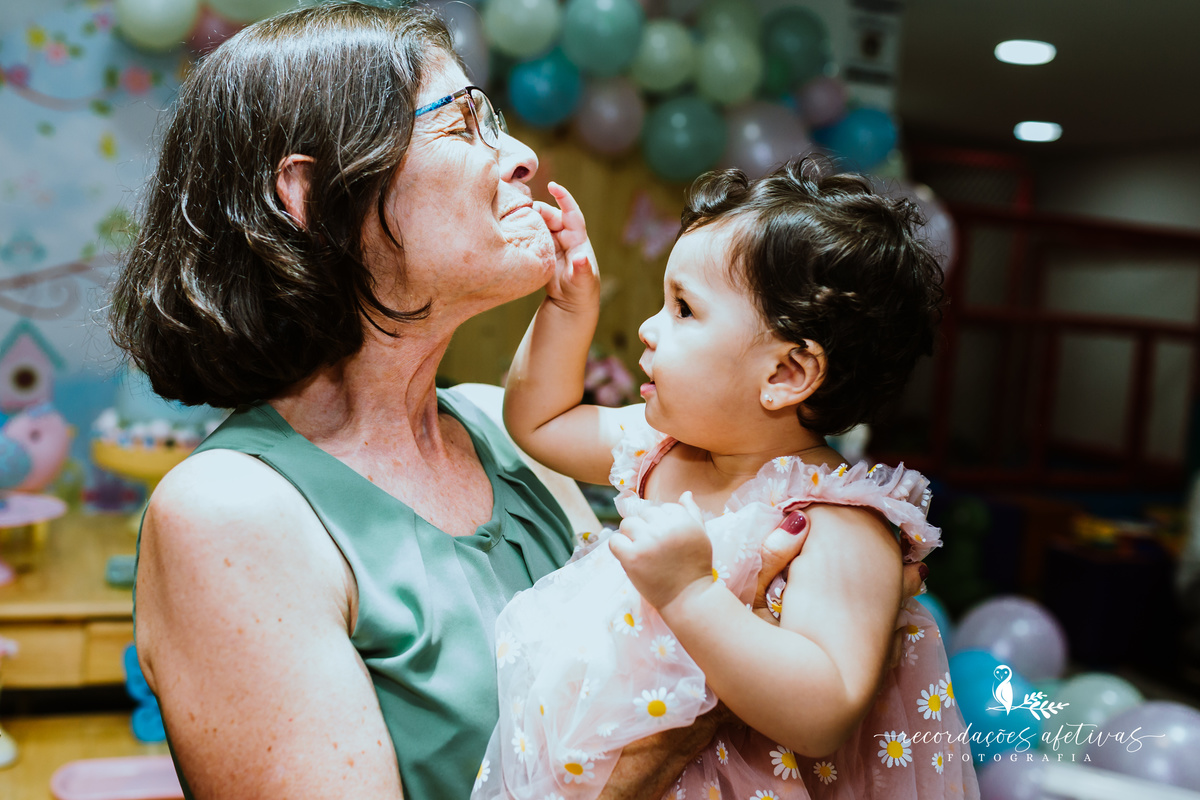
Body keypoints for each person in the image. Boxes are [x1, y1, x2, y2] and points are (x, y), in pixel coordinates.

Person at [108, 4, 924, 799]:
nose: (525, 156)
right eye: (464, 125)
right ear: (314, 196)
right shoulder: (229, 514)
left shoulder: (504, 428)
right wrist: (685, 721)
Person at [483, 162, 979, 799]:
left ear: (787, 373)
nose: (648, 328)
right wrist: (566, 306)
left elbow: (823, 711)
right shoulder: (661, 450)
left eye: (684, 309)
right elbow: (540, 420)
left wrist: (692, 594)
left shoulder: (837, 521)